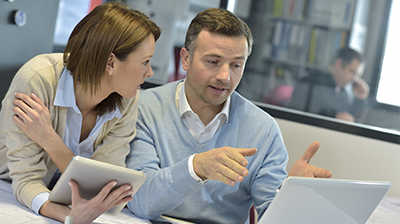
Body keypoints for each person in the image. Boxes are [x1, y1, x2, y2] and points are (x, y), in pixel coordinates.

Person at [126, 8, 332, 224]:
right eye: (213, 62)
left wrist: (293, 196)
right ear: (186, 59)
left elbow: (272, 218)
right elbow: (141, 201)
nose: (225, 76)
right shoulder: (144, 109)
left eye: (236, 65)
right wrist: (196, 167)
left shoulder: (263, 130)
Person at [0, 2, 160, 223]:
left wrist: (49, 139)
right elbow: (25, 179)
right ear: (111, 62)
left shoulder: (127, 97)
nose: (149, 72)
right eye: (145, 62)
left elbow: (104, 185)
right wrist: (70, 217)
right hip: (9, 185)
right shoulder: (37, 79)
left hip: (63, 196)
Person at [289, 47, 369, 122]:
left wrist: (360, 98)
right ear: (339, 64)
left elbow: (350, 118)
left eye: (358, 75)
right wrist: (334, 116)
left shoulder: (342, 92)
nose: (354, 79)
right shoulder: (313, 83)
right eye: (352, 72)